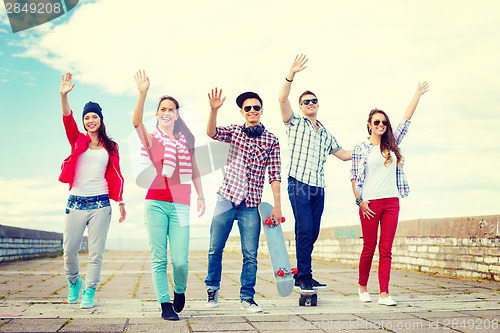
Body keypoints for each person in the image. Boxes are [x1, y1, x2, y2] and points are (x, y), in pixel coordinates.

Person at [132, 70, 205, 321]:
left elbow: (195, 169)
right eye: (162, 108)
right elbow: (135, 121)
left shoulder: (186, 141)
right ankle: (164, 303)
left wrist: (201, 196)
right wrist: (143, 93)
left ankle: (180, 291)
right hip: (155, 203)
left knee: (181, 261)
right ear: (158, 113)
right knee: (159, 258)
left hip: (181, 204)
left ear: (176, 114)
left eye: (171, 109)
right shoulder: (152, 140)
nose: (166, 112)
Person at [351, 82, 430, 306]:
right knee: (369, 247)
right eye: (376, 122)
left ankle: (384, 293)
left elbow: (405, 121)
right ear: (369, 125)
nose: (381, 125)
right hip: (370, 204)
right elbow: (354, 178)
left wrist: (417, 94)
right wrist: (360, 202)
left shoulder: (392, 145)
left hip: (392, 202)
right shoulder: (361, 148)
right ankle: (362, 287)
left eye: (384, 122)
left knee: (386, 249)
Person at [278, 54, 352, 292]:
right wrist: (291, 74)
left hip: (318, 187)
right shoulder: (295, 123)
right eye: (306, 102)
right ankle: (305, 275)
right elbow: (281, 99)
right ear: (301, 107)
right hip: (298, 184)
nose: (310, 104)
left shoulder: (326, 133)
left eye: (314, 101)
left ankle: (302, 272)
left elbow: (343, 154)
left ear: (318, 104)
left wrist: (372, 147)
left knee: (314, 232)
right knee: (305, 229)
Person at [204, 88, 282, 313]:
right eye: (247, 108)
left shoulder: (271, 140)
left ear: (261, 111)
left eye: (256, 107)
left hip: (251, 204)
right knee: (214, 248)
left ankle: (247, 297)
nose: (252, 111)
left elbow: (275, 176)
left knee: (250, 254)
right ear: (242, 112)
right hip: (226, 198)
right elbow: (212, 132)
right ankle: (212, 288)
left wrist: (277, 207)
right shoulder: (235, 132)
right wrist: (213, 110)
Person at [59, 72, 126, 309]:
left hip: (100, 204)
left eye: (94, 116)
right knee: (69, 250)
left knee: (96, 254)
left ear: (100, 119)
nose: (90, 120)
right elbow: (67, 119)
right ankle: (74, 281)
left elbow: (116, 174)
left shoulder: (111, 146)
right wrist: (63, 95)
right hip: (76, 202)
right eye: (86, 117)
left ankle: (89, 291)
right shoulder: (77, 139)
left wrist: (120, 201)